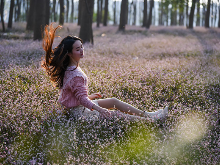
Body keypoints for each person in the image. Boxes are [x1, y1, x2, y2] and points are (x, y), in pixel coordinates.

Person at [42, 24, 168, 121]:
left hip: (75, 110)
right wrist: (99, 109)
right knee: (114, 114)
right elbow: (81, 99)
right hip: (80, 114)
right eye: (77, 49)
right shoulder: (76, 75)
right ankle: (151, 121)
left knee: (113, 101)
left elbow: (71, 97)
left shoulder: (69, 69)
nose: (81, 51)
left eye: (82, 47)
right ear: (69, 53)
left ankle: (150, 115)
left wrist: (90, 97)